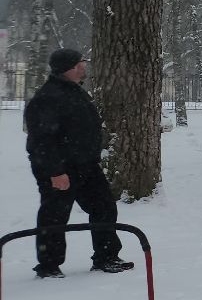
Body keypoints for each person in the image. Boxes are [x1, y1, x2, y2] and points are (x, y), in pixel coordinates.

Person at [23, 49, 131, 278]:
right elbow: (41, 140)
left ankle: (106, 256)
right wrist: (55, 172)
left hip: (86, 166)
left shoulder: (75, 92)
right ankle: (49, 266)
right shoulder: (48, 97)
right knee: (55, 215)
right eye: (81, 62)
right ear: (70, 67)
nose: (85, 65)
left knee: (104, 207)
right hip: (60, 169)